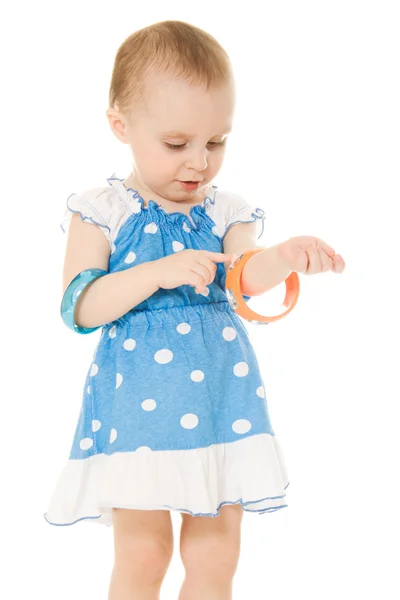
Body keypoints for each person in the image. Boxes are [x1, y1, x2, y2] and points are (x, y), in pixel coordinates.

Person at [44, 19, 345, 600]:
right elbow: (79, 306)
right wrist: (154, 274)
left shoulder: (226, 210)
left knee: (215, 555)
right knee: (145, 550)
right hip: (137, 407)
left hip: (219, 400)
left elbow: (242, 280)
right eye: (177, 144)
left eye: (217, 142)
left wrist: (281, 256)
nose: (199, 163)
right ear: (121, 126)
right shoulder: (102, 209)